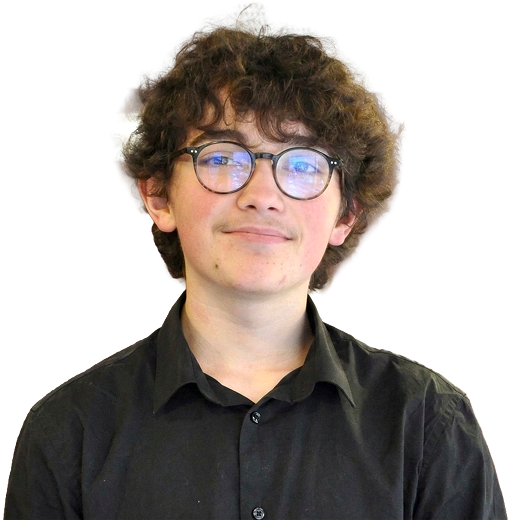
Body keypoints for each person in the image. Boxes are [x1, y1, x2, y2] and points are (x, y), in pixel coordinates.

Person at [5, 3, 505, 519]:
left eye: (304, 164)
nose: (262, 196)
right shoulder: (68, 433)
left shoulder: (427, 425)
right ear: (158, 195)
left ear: (345, 215)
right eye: (223, 157)